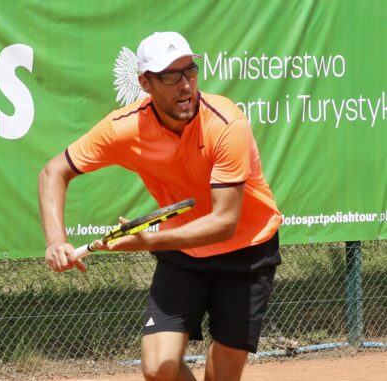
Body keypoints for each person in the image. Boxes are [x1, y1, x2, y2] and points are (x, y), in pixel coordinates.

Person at [38, 31, 282, 381]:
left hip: (247, 250)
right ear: (145, 83)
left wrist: (148, 240)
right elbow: (53, 172)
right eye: (170, 76)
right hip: (183, 253)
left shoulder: (227, 124)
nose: (185, 85)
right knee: (158, 370)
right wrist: (55, 241)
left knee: (222, 376)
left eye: (190, 71)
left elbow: (224, 222)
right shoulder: (125, 127)